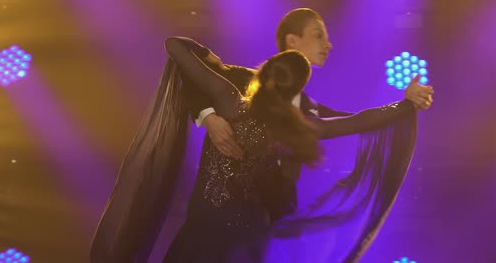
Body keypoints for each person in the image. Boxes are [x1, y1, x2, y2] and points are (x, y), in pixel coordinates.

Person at [90, 34, 420, 262]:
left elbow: (173, 45)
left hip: (204, 230)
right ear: (299, 87)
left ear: (263, 72)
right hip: (248, 238)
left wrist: (207, 55)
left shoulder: (227, 99)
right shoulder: (295, 127)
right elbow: (361, 121)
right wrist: (406, 106)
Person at [184, 8, 434, 220]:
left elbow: (356, 120)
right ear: (293, 40)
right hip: (221, 212)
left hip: (274, 218)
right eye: (318, 35)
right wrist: (208, 117)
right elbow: (191, 80)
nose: (328, 44)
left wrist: (405, 104)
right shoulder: (246, 82)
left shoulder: (310, 108)